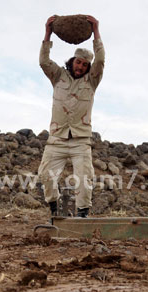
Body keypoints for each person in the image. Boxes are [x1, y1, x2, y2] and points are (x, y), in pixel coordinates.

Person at [38, 15, 105, 218]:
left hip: (80, 141)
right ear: (72, 61)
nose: (80, 66)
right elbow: (43, 61)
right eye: (78, 62)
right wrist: (48, 33)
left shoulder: (92, 81)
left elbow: (100, 60)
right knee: (45, 176)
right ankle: (55, 209)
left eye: (85, 65)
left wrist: (96, 32)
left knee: (85, 180)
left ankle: (82, 215)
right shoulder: (58, 76)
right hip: (57, 139)